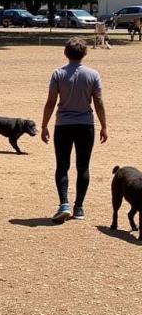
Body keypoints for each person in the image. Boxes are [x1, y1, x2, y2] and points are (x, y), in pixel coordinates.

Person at [41, 37, 108, 223]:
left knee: (62, 166)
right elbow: (99, 102)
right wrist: (104, 125)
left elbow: (50, 102)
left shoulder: (58, 74)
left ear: (66, 53)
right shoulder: (93, 74)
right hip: (85, 125)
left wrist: (44, 125)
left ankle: (64, 203)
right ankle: (79, 207)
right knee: (83, 167)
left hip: (63, 125)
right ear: (85, 53)